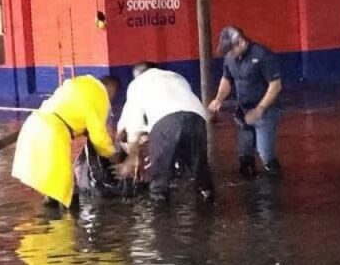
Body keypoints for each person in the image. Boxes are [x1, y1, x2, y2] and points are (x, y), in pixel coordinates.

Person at [12, 75, 121, 208]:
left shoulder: (80, 83)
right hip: (52, 133)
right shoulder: (100, 94)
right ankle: (68, 224)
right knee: (66, 186)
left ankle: (49, 219)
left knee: (51, 183)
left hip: (32, 126)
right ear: (111, 89)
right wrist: (113, 155)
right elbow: (98, 137)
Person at [116, 61, 214, 201]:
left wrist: (132, 156)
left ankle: (161, 214)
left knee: (159, 181)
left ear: (137, 76)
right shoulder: (176, 77)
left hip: (165, 123)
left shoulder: (137, 84)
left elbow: (133, 123)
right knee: (200, 170)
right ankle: (208, 198)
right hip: (197, 118)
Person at [207, 26, 283, 177]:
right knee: (244, 155)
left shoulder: (262, 55)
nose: (228, 54)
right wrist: (219, 98)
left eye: (230, 50)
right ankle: (250, 185)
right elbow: (226, 79)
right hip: (243, 111)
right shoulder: (230, 58)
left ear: (240, 42)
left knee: (265, 154)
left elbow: (276, 85)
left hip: (266, 111)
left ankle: (276, 181)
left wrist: (260, 109)